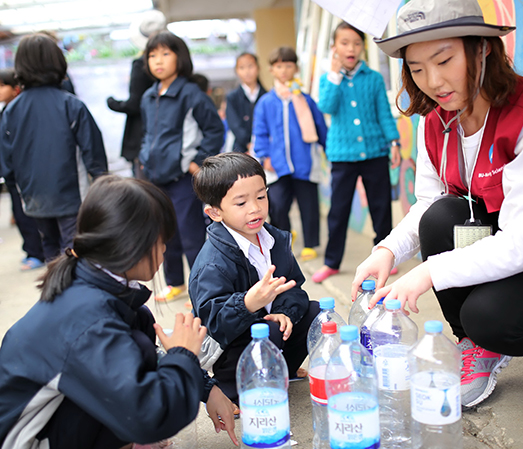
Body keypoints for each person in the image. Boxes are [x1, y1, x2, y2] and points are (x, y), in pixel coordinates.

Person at [352, 0, 523, 409]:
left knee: (491, 317)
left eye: (444, 59)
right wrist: (386, 252)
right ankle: (473, 348)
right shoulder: (435, 122)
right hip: (512, 244)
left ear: (482, 49)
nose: (433, 81)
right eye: (417, 68)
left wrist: (426, 273)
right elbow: (427, 203)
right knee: (440, 217)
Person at [0, 175, 238, 449]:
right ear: (131, 245)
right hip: (26, 442)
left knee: (141, 329)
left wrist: (207, 389)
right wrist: (182, 355)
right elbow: (152, 417)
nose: (164, 249)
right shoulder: (88, 319)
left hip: (52, 423)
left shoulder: (91, 284)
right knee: (138, 354)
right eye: (161, 240)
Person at [189, 152, 319, 403]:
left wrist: (284, 312)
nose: (256, 208)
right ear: (215, 213)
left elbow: (294, 287)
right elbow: (214, 322)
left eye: (261, 196)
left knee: (313, 313)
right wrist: (248, 303)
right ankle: (232, 390)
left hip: (268, 330)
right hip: (231, 347)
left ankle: (284, 370)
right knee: (265, 328)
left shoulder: (274, 240)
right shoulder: (213, 262)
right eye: (241, 203)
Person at [0, 33, 108, 263]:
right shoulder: (71, 105)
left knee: (51, 252)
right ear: (59, 62)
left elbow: (6, 159)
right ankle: (77, 296)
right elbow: (94, 153)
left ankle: (56, 295)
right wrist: (102, 188)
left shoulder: (10, 111)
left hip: (33, 197)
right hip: (71, 196)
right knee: (76, 253)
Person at [312, 21, 401, 283]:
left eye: (357, 43)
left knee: (381, 207)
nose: (351, 48)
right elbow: (326, 107)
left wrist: (393, 141)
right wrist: (335, 75)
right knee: (338, 210)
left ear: (363, 46)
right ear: (334, 48)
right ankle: (332, 261)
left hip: (375, 151)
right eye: (344, 43)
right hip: (342, 156)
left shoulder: (373, 78)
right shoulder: (328, 80)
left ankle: (384, 256)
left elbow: (384, 113)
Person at [139, 30, 224, 302]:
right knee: (165, 234)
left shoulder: (191, 94)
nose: (158, 60)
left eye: (165, 53)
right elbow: (147, 135)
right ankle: (175, 282)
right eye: (152, 55)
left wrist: (195, 162)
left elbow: (214, 130)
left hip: (182, 178)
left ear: (180, 57)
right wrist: (143, 158)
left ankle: (201, 287)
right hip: (154, 177)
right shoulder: (148, 96)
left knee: (191, 235)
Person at [252, 46, 327, 262]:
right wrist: (264, 156)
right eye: (278, 66)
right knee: (277, 204)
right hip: (277, 164)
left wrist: (328, 149)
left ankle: (311, 244)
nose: (283, 70)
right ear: (271, 70)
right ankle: (284, 239)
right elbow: (260, 132)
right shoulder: (266, 102)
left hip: (304, 162)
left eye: (288, 65)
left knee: (309, 204)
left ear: (295, 68)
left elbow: (320, 127)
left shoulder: (304, 99)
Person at [107, 9, 167, 176]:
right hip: (159, 139)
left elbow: (134, 104)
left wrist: (111, 102)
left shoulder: (140, 65)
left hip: (144, 137)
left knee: (146, 189)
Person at [0, 68, 45, 271]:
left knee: (27, 213)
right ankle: (31, 250)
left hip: (21, 172)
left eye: (2, 86)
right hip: (9, 171)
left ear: (16, 89)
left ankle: (36, 252)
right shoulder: (5, 112)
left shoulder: (19, 112)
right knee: (19, 213)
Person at [226, 53, 267, 153]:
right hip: (241, 151)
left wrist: (257, 146)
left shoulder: (267, 96)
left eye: (250, 66)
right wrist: (248, 144)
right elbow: (235, 125)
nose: (247, 72)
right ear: (237, 71)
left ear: (258, 68)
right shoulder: (232, 97)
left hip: (265, 149)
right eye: (242, 68)